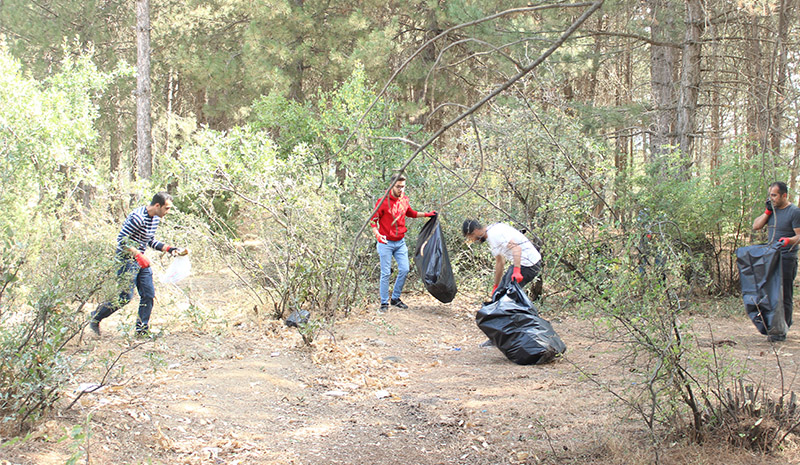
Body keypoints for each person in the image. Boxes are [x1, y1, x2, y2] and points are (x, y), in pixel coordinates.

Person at [89, 192, 187, 337]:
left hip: (141, 260)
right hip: (126, 259)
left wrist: (169, 249)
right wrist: (137, 254)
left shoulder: (154, 219)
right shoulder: (137, 217)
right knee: (125, 297)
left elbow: (150, 240)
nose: (168, 212)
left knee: (148, 294)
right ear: (157, 205)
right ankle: (95, 316)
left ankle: (142, 331)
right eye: (167, 208)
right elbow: (122, 241)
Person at [370, 174, 436, 313]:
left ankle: (395, 298)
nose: (401, 189)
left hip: (400, 242)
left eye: (403, 186)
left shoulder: (404, 200)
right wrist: (377, 234)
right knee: (386, 273)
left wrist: (427, 214)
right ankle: (384, 303)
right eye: (398, 186)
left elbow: (410, 213)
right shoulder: (382, 202)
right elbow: (373, 220)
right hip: (385, 242)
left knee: (405, 269)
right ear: (391, 186)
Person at [752, 181, 800, 341]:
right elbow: (756, 226)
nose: (771, 198)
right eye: (770, 195)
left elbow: (799, 236)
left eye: (774, 195)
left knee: (784, 294)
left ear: (784, 196)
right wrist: (767, 211)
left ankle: (782, 329)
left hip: (786, 258)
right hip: (770, 258)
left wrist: (788, 241)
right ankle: (773, 326)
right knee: (769, 294)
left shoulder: (794, 212)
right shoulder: (771, 211)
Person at [462, 219, 542, 301]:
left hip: (529, 264)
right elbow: (500, 262)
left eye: (471, 237)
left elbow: (516, 248)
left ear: (475, 231)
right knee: (498, 294)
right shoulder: (491, 235)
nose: (474, 240)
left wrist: (517, 271)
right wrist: (496, 286)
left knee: (506, 298)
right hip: (521, 264)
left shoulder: (495, 233)